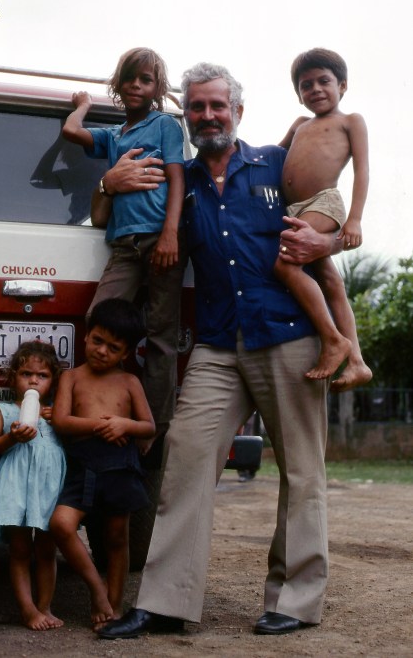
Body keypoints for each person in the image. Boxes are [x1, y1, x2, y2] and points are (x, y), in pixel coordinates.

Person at [96, 62, 342, 640]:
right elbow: (110, 212)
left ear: (238, 112)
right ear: (187, 114)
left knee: (303, 472)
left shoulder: (278, 166)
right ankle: (164, 602)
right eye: (197, 108)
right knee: (185, 455)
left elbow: (332, 209)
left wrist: (326, 236)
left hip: (288, 335)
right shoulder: (173, 177)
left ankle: (296, 600)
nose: (208, 116)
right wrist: (106, 182)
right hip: (216, 343)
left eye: (218, 106)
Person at [62, 47, 187, 446]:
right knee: (99, 318)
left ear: (157, 88)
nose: (136, 85)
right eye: (129, 78)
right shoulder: (115, 136)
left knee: (161, 334)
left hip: (159, 239)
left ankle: (151, 431)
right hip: (124, 245)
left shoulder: (165, 125)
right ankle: (102, 407)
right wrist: (83, 105)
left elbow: (177, 179)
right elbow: (71, 132)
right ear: (117, 84)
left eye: (146, 80)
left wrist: (171, 232)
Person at [50, 298, 155, 630]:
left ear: (125, 353)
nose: (102, 351)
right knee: (61, 525)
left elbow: (149, 426)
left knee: (116, 537)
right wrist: (100, 425)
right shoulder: (71, 378)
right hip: (82, 463)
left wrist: (125, 425)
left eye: (113, 347)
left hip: (119, 464)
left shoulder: (129, 383)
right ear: (86, 336)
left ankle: (114, 604)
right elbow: (62, 422)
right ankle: (97, 589)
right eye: (97, 341)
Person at [275, 48, 372, 390]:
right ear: (299, 96)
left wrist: (355, 220)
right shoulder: (300, 125)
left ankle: (333, 340)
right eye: (306, 85)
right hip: (294, 210)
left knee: (285, 264)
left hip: (323, 204)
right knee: (331, 283)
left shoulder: (350, 121)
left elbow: (362, 171)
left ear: (342, 86)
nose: (315, 89)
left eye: (323, 81)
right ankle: (358, 362)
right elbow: (274, 155)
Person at [0, 342, 66, 631]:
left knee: (46, 548)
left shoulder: (56, 414)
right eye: (26, 373)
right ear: (13, 377)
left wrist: (61, 421)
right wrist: (11, 438)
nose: (33, 380)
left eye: (42, 375)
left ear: (53, 380)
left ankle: (45, 606)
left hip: (46, 489)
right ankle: (28, 609)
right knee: (19, 549)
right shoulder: (4, 411)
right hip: (15, 487)